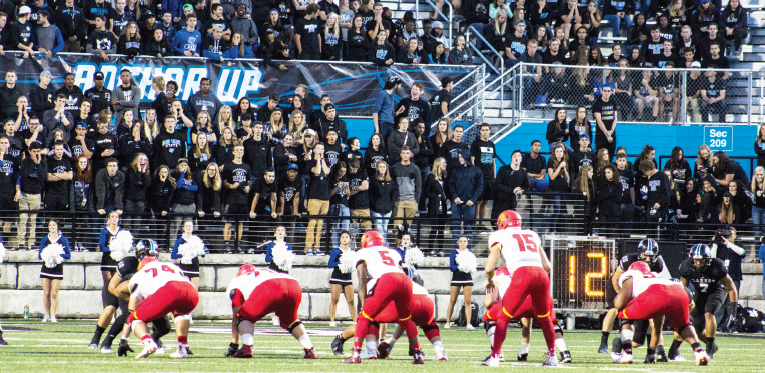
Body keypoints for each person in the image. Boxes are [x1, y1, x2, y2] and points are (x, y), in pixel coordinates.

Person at [483, 210, 558, 366]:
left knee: (503, 316)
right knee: (544, 318)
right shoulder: (531, 234)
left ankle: (495, 356)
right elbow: (547, 266)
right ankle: (552, 356)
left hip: (522, 274)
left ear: (502, 223)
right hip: (541, 276)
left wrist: (490, 280)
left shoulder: (499, 236)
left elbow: (489, 268)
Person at [342, 230, 424, 364]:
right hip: (404, 280)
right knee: (406, 319)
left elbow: (362, 280)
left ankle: (355, 354)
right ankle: (418, 355)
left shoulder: (362, 253)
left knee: (364, 316)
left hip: (387, 280)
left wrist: (364, 306)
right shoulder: (393, 251)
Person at [613, 261, 710, 365]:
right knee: (684, 325)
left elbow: (618, 304)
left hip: (655, 293)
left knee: (624, 314)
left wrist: (625, 299)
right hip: (678, 291)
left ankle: (627, 353)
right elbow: (657, 327)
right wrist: (651, 353)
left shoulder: (632, 275)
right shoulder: (656, 276)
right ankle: (699, 351)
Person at [227, 264, 316, 359]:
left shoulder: (237, 282)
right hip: (293, 284)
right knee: (290, 321)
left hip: (270, 286)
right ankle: (309, 349)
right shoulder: (263, 273)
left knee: (244, 316)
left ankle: (246, 347)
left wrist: (234, 344)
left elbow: (236, 314)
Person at [600, 238, 668, 357]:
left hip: (639, 288)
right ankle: (603, 344)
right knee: (614, 310)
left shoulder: (658, 265)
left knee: (651, 317)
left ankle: (655, 348)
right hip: (620, 285)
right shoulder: (629, 260)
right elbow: (616, 277)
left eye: (651, 256)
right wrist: (622, 296)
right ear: (640, 254)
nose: (648, 259)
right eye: (645, 256)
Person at [125, 257, 199, 358]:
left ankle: (148, 343)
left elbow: (132, 307)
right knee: (181, 313)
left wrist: (124, 338)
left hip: (169, 289)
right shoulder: (172, 266)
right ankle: (182, 348)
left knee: (133, 318)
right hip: (191, 290)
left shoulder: (139, 275)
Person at [678, 243, 738, 359]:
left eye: (701, 260)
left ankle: (709, 351)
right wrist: (684, 309)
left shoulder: (718, 266)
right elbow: (683, 290)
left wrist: (733, 313)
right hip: (700, 293)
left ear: (708, 260)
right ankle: (712, 345)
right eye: (695, 260)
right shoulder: (686, 267)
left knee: (709, 313)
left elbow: (731, 288)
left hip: (717, 290)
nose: (698, 263)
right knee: (696, 329)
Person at [88, 210, 124, 349]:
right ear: (108, 219)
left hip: (118, 262)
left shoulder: (122, 232)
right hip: (107, 262)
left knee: (117, 287)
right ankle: (108, 311)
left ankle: (114, 312)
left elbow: (126, 246)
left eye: (116, 217)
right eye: (112, 217)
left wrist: (120, 249)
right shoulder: (105, 231)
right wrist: (112, 249)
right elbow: (101, 247)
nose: (114, 219)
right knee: (108, 286)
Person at [38, 219, 71, 323]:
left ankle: (53, 315)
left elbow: (68, 255)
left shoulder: (63, 239)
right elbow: (40, 255)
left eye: (54, 225)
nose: (51, 227)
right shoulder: (44, 239)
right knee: (46, 293)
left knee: (54, 293)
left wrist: (57, 255)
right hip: (46, 268)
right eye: (50, 225)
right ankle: (46, 315)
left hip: (57, 268)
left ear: (58, 226)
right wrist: (47, 255)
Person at [222, 142, 251, 253]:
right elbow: (224, 182)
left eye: (241, 150)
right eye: (237, 150)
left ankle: (237, 245)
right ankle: (226, 246)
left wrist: (247, 188)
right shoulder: (228, 166)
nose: (239, 152)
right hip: (231, 198)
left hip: (242, 199)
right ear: (233, 152)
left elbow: (248, 182)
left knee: (240, 224)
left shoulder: (246, 167)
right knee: (228, 223)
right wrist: (230, 185)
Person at [17, 142, 46, 250]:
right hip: (25, 193)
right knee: (23, 218)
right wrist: (34, 163)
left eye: (38, 151)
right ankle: (20, 242)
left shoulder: (42, 162)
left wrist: (38, 164)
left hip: (36, 194)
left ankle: (31, 243)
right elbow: (24, 174)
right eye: (34, 151)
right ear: (30, 151)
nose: (36, 154)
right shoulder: (26, 161)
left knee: (33, 220)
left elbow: (43, 177)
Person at [450, 149, 483, 244]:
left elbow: (480, 187)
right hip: (457, 203)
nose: (460, 159)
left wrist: (472, 200)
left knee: (468, 228)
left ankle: (468, 250)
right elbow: (451, 185)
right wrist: (455, 197)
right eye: (459, 157)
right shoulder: (456, 170)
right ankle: (456, 249)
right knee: (455, 227)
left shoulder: (477, 171)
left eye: (461, 157)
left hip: (469, 204)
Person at [305, 142, 330, 255]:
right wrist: (318, 159)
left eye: (322, 148)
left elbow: (326, 171)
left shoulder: (327, 161)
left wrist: (322, 159)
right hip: (314, 196)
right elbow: (317, 171)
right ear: (314, 150)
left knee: (320, 225)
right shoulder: (310, 162)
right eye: (318, 148)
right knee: (312, 223)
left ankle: (317, 248)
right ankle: (308, 248)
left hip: (325, 197)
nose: (320, 150)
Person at [327, 230, 357, 327]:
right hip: (336, 278)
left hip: (348, 279)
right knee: (335, 300)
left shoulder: (353, 252)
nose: (344, 239)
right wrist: (340, 264)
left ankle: (355, 322)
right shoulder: (336, 251)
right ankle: (332, 321)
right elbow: (329, 264)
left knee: (351, 301)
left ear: (350, 239)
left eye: (346, 237)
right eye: (343, 237)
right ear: (340, 239)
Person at [445, 236, 475, 329]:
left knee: (468, 302)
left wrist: (467, 265)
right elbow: (451, 268)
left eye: (465, 241)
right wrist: (460, 264)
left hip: (467, 278)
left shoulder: (470, 253)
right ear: (458, 243)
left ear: (467, 243)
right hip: (456, 278)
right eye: (461, 241)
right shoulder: (454, 252)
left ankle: (468, 323)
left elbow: (473, 265)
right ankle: (447, 322)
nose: (463, 243)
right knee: (452, 301)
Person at [471, 124, 496, 230]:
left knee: (485, 200)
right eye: (483, 130)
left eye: (487, 130)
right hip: (479, 176)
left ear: (490, 131)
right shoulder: (476, 143)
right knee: (478, 200)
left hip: (489, 176)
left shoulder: (491, 144)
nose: (485, 132)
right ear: (480, 131)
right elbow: (472, 159)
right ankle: (475, 223)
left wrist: (494, 175)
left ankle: (481, 223)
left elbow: (493, 161)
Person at [171, 219, 205, 288]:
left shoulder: (196, 240)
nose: (188, 228)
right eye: (187, 226)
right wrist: (182, 255)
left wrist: (200, 252)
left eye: (190, 226)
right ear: (183, 228)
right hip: (184, 267)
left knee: (194, 291)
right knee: (185, 290)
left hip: (194, 267)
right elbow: (173, 255)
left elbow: (203, 254)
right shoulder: (179, 240)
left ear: (193, 228)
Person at [373, 77, 402, 141]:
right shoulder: (382, 94)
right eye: (399, 84)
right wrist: (377, 129)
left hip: (391, 125)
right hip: (382, 125)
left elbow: (388, 113)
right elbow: (375, 111)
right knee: (380, 146)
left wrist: (397, 113)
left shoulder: (391, 96)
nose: (400, 86)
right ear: (395, 85)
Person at [592, 85, 617, 160]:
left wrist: (611, 131)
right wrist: (606, 133)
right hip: (601, 135)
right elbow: (599, 121)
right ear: (601, 91)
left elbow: (615, 119)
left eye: (608, 91)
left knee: (610, 158)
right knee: (600, 159)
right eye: (605, 91)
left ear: (611, 92)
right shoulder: (597, 104)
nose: (606, 93)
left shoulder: (613, 102)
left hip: (611, 134)